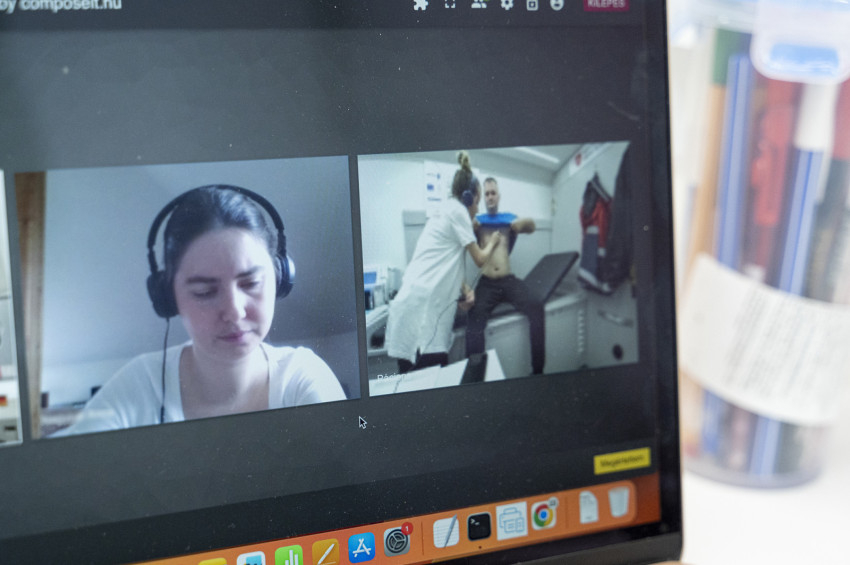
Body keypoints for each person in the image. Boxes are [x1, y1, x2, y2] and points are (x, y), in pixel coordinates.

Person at [56, 185, 345, 435]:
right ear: (169, 297)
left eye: (251, 283)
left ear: (280, 278)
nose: (234, 312)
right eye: (205, 292)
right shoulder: (139, 384)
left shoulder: (302, 378)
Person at [385, 151, 502, 374]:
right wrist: (493, 242)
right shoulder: (458, 212)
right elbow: (479, 259)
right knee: (430, 385)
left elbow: (446, 262)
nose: (478, 210)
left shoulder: (445, 211)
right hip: (422, 321)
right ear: (468, 198)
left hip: (412, 310)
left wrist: (464, 289)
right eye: (477, 202)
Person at [465, 177, 545, 374]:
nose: (490, 197)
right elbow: (463, 231)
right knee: (474, 319)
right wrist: (471, 224)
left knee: (536, 306)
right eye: (487, 194)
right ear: (483, 198)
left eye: (493, 193)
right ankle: (476, 378)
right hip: (487, 283)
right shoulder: (479, 222)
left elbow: (532, 226)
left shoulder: (509, 218)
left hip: (508, 281)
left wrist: (520, 224)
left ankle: (538, 371)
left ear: (498, 196)